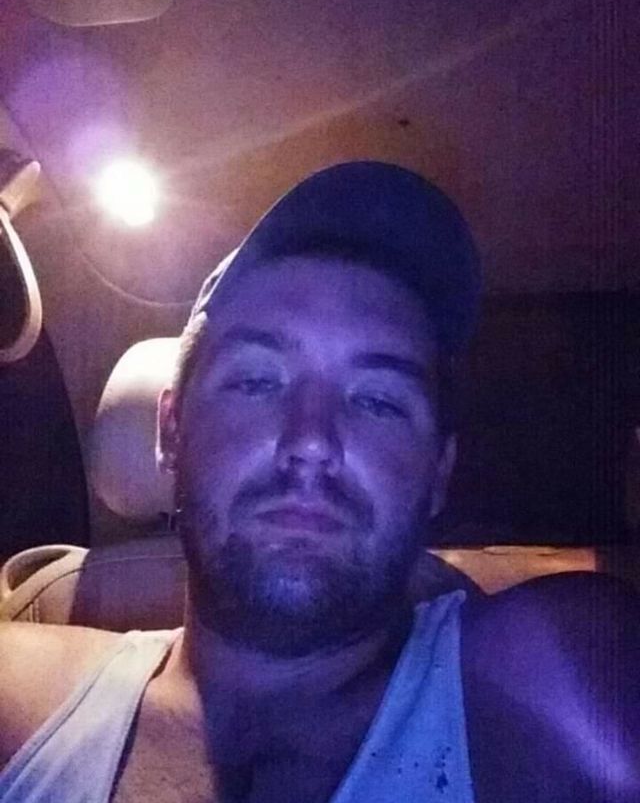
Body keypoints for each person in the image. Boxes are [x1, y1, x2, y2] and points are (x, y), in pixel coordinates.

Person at [0, 161, 638, 803]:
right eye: (257, 382)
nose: (311, 440)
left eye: (379, 401)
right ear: (171, 431)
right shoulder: (19, 697)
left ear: (439, 472)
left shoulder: (560, 681)